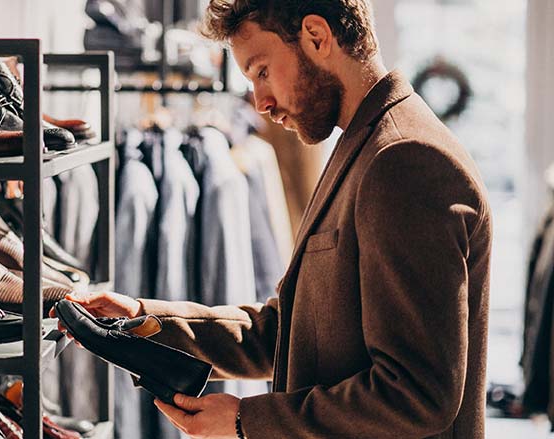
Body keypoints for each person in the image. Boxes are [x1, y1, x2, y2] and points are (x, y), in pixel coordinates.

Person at [56, 0, 492, 437]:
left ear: (317, 37)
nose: (260, 102)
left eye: (261, 71)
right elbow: (288, 331)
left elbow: (418, 394)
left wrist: (249, 420)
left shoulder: (404, 159)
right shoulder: (365, 146)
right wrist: (145, 318)